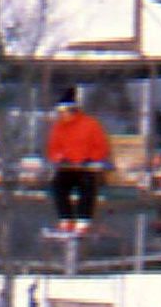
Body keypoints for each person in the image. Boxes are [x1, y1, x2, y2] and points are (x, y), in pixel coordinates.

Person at [46, 88, 112, 233]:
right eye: (61, 113)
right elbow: (53, 149)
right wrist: (60, 158)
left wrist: (90, 159)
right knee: (58, 185)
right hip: (68, 168)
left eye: (65, 112)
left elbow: (101, 147)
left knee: (88, 185)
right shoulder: (58, 128)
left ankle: (83, 220)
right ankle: (66, 218)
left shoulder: (90, 124)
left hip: (86, 168)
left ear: (72, 110)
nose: (62, 115)